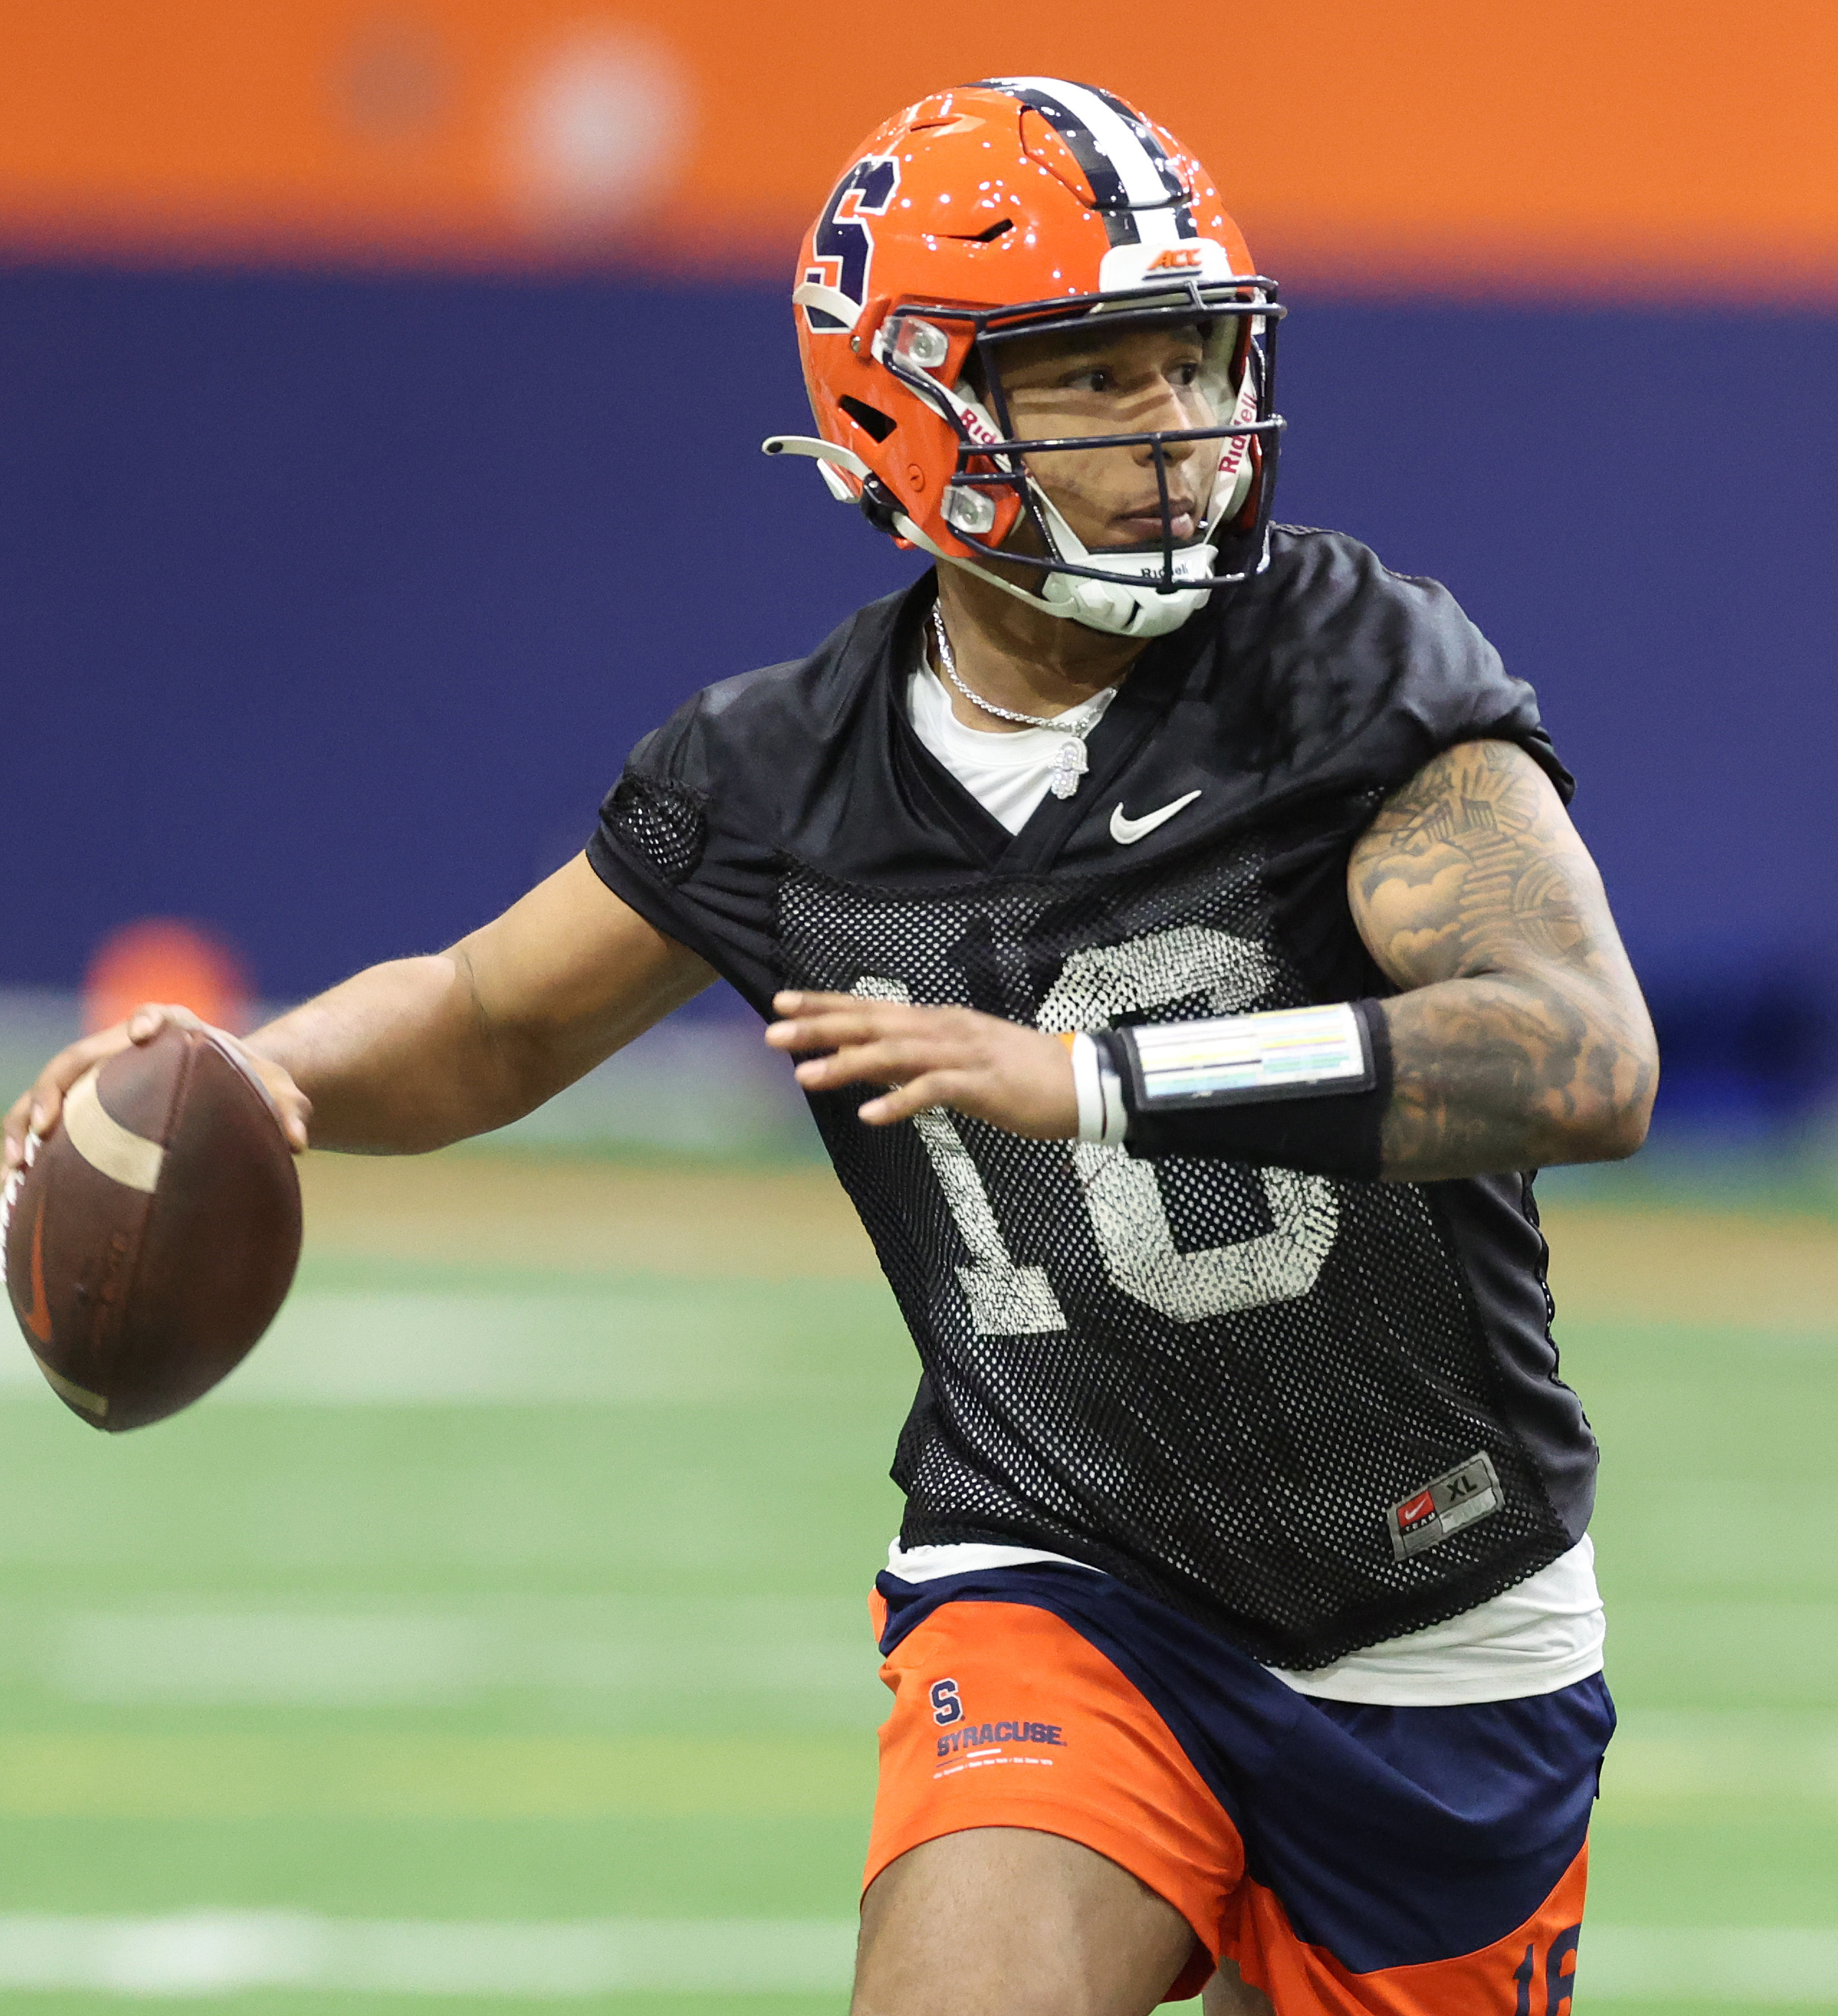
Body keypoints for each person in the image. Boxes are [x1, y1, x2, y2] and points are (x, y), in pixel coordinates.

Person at [5, 78, 1655, 2016]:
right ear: (915, 412)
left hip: (1438, 1618)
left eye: (1192, 360)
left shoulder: (1342, 662)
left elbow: (1579, 1051)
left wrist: (1100, 1085)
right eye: (1095, 380)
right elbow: (487, 1012)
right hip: (1070, 1565)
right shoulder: (786, 773)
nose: (1175, 436)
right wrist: (273, 1074)